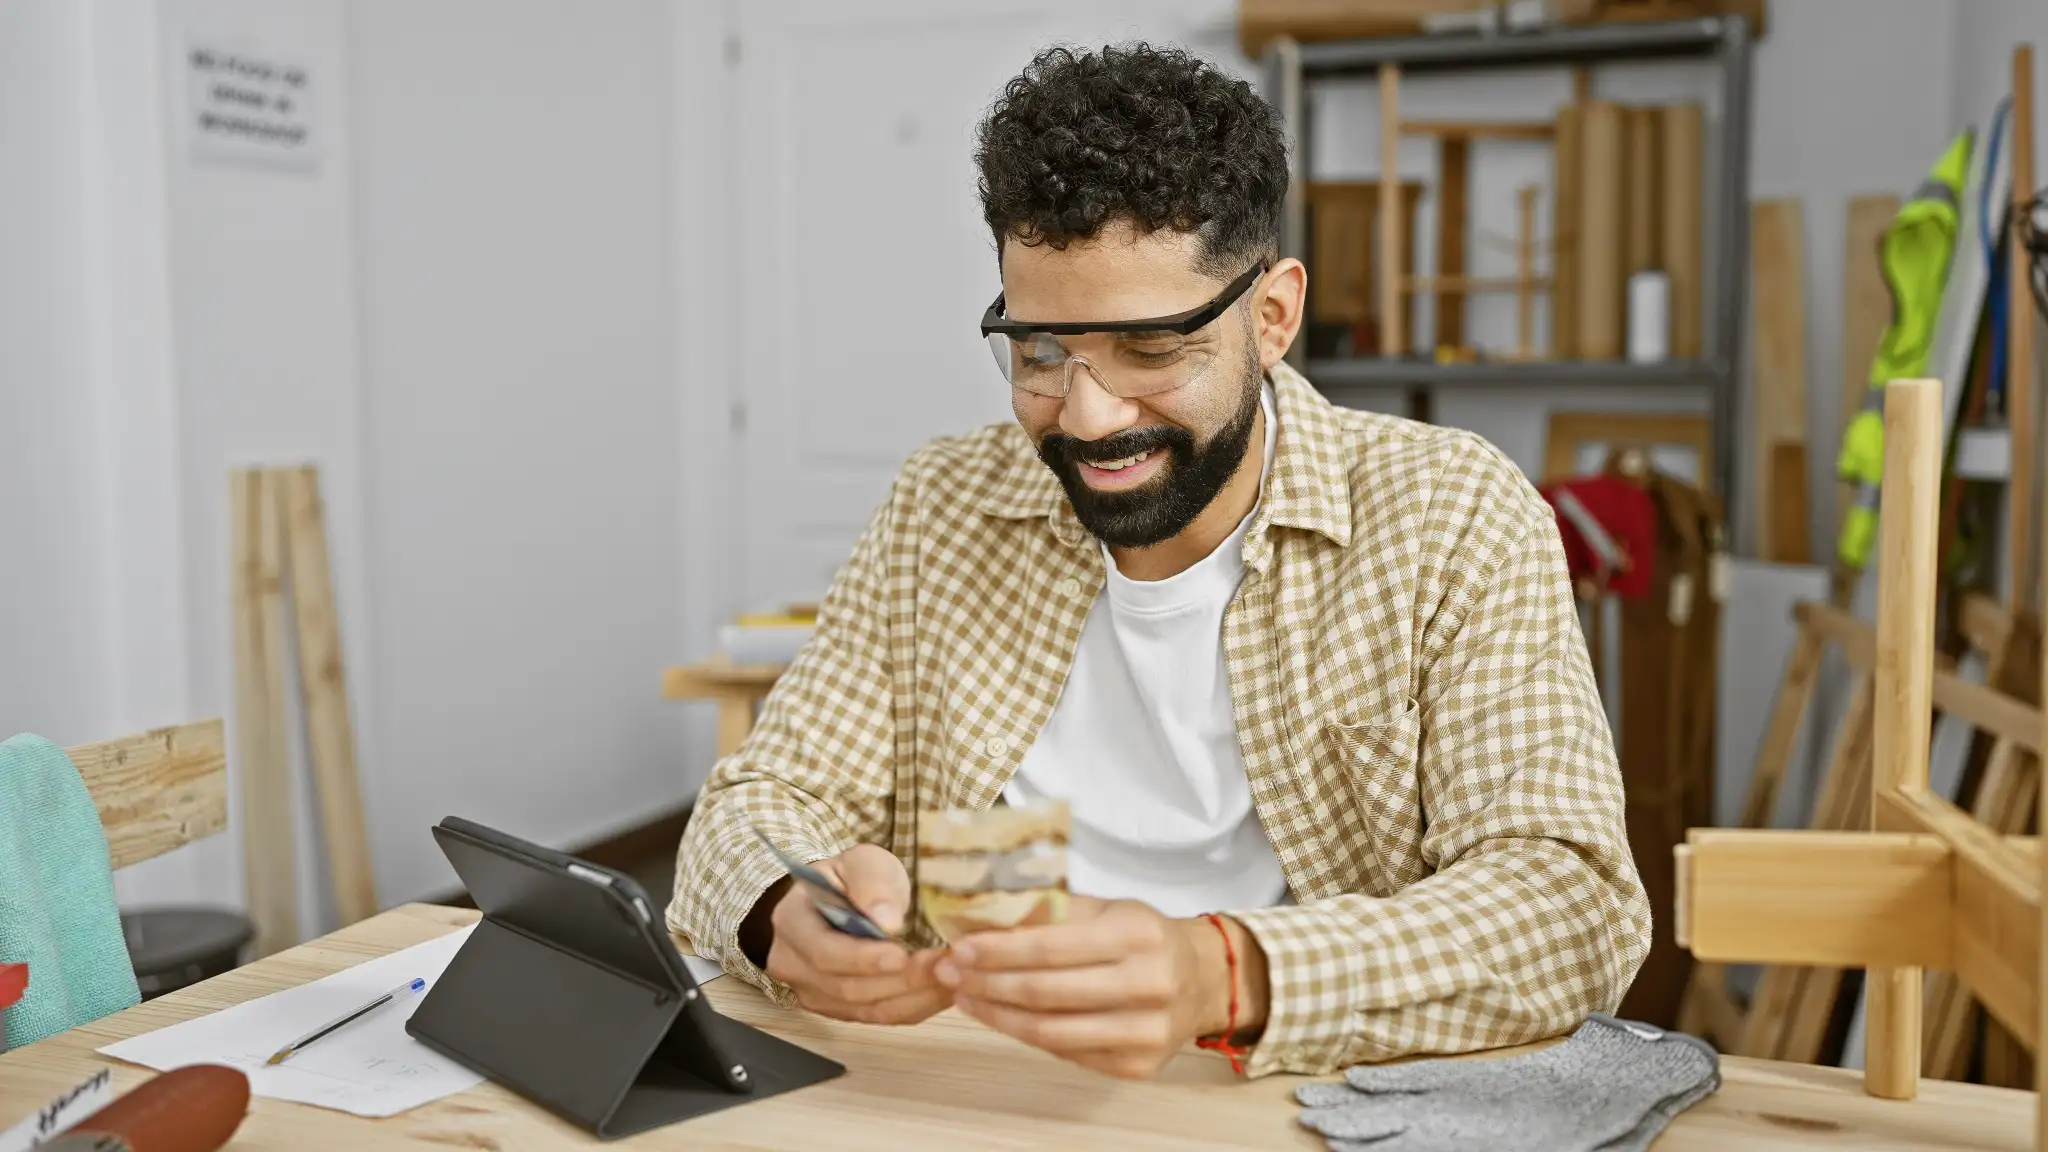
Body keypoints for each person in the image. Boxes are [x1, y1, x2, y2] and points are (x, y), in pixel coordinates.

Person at [668, 41, 1648, 1081]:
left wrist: (1222, 973)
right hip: (975, 1090)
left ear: (1269, 318)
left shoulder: (1448, 512)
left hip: (1289, 1095)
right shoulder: (941, 507)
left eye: (1148, 351)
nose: (1087, 416)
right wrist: (788, 911)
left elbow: (1569, 905)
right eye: (1041, 351)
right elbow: (757, 803)